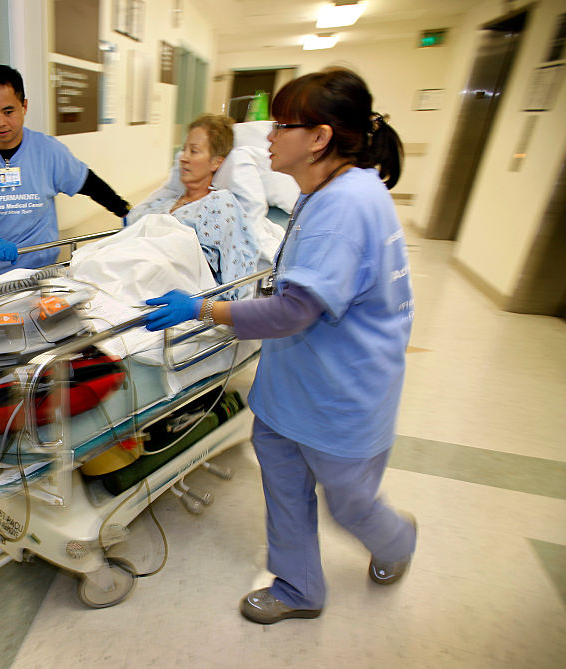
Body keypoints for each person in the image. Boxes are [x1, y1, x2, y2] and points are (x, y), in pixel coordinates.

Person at [143, 67, 417, 624]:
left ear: (319, 138)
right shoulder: (325, 191)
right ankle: (299, 587)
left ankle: (396, 540)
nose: (267, 137)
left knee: (349, 502)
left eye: (280, 126)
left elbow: (294, 309)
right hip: (294, 386)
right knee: (285, 486)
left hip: (343, 395)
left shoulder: (344, 209)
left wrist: (204, 308)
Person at [0, 64, 130, 282]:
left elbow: (89, 183)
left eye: (8, 112)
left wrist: (124, 210)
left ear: (24, 106)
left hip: (41, 273)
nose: (0, 122)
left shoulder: (48, 151)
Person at [126, 113, 260, 298]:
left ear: (216, 162)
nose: (183, 157)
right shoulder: (164, 202)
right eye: (184, 149)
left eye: (194, 151)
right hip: (131, 273)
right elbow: (130, 232)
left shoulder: (220, 203)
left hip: (168, 287)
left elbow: (236, 274)